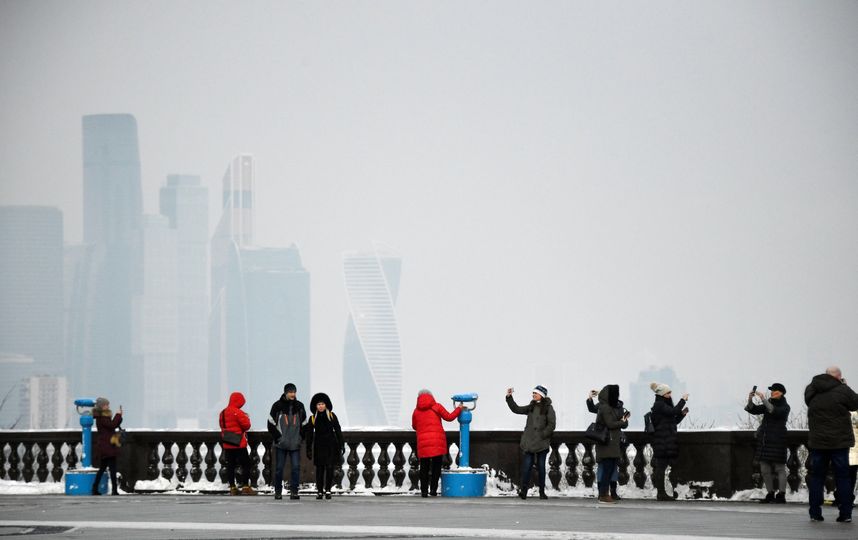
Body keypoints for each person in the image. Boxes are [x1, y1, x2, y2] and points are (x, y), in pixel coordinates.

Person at [805, 366, 858, 523]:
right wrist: (845, 386)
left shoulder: (812, 388)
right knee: (843, 477)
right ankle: (845, 513)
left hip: (818, 442)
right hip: (839, 443)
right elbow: (855, 404)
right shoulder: (842, 390)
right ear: (838, 377)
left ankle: (815, 512)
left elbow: (808, 401)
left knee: (816, 477)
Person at [506, 385, 556, 500]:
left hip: (542, 443)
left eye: (536, 393)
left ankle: (542, 492)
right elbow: (516, 409)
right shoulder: (531, 406)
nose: (533, 395)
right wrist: (509, 397)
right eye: (533, 393)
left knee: (541, 468)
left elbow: (552, 425)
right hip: (529, 443)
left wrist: (542, 435)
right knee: (526, 468)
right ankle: (524, 491)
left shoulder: (549, 408)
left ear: (542, 395)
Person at [744, 383, 790, 504]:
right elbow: (754, 410)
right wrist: (750, 399)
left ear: (781, 393)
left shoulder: (785, 406)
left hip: (778, 439)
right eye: (771, 390)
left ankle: (781, 495)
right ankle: (770, 494)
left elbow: (773, 410)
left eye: (774, 390)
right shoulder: (769, 402)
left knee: (780, 468)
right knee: (764, 468)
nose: (772, 392)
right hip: (765, 440)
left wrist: (763, 399)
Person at [411, 389, 462, 497]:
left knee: (424, 467)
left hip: (423, 443)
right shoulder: (437, 407)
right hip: (437, 441)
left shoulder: (416, 411)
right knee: (436, 467)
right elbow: (449, 417)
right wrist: (459, 409)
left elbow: (414, 426)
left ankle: (424, 492)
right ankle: (433, 490)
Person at [649, 382, 689, 501]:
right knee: (661, 467)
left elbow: (672, 421)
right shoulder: (659, 405)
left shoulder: (663, 405)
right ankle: (661, 493)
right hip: (662, 440)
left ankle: (662, 493)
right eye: (668, 393)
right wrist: (683, 400)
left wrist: (682, 415)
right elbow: (673, 412)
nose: (670, 394)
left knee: (662, 466)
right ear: (662, 394)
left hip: (666, 440)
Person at [267, 382, 307, 500]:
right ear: (285, 392)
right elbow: (270, 424)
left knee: (295, 468)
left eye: (294, 392)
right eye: (290, 392)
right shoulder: (277, 406)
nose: (292, 394)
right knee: (279, 469)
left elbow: (305, 424)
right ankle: (278, 492)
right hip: (281, 444)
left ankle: (294, 492)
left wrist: (300, 438)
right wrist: (278, 438)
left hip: (295, 443)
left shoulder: (300, 406)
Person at [587, 388, 626, 500]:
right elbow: (610, 423)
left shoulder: (617, 406)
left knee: (612, 468)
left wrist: (623, 422)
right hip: (605, 440)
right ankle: (603, 494)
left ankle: (609, 493)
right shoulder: (603, 407)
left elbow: (623, 424)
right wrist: (590, 398)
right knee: (605, 468)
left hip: (614, 441)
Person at [305, 392, 344, 500]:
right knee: (320, 470)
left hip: (331, 446)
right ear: (315, 406)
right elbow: (309, 435)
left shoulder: (331, 415)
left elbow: (338, 430)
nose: (321, 406)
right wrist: (308, 448)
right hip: (319, 446)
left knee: (330, 468)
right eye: (318, 404)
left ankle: (328, 490)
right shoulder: (313, 418)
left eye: (322, 404)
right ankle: (319, 491)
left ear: (326, 405)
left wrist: (342, 444)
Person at [220, 391, 256, 496]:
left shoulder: (222, 412)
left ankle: (232, 487)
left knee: (230, 465)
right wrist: (246, 417)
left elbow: (223, 426)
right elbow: (247, 426)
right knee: (246, 464)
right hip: (238, 443)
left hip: (227, 442)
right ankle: (245, 486)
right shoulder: (238, 412)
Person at [91, 397, 122, 495]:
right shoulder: (102, 416)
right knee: (112, 468)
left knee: (103, 468)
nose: (108, 406)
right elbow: (112, 425)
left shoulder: (101, 416)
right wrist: (118, 415)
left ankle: (95, 488)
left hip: (105, 445)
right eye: (106, 405)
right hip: (107, 446)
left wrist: (119, 417)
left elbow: (112, 425)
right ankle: (114, 490)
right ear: (102, 406)